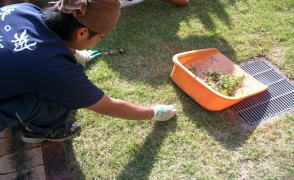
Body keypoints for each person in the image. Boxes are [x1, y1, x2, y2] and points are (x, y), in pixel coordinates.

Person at [0, 0, 176, 144]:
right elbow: (108, 105)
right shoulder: (53, 69)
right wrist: (155, 112)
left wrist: (76, 54)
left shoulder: (21, 9)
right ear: (83, 32)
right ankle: (42, 131)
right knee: (59, 97)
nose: (100, 40)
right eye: (101, 37)